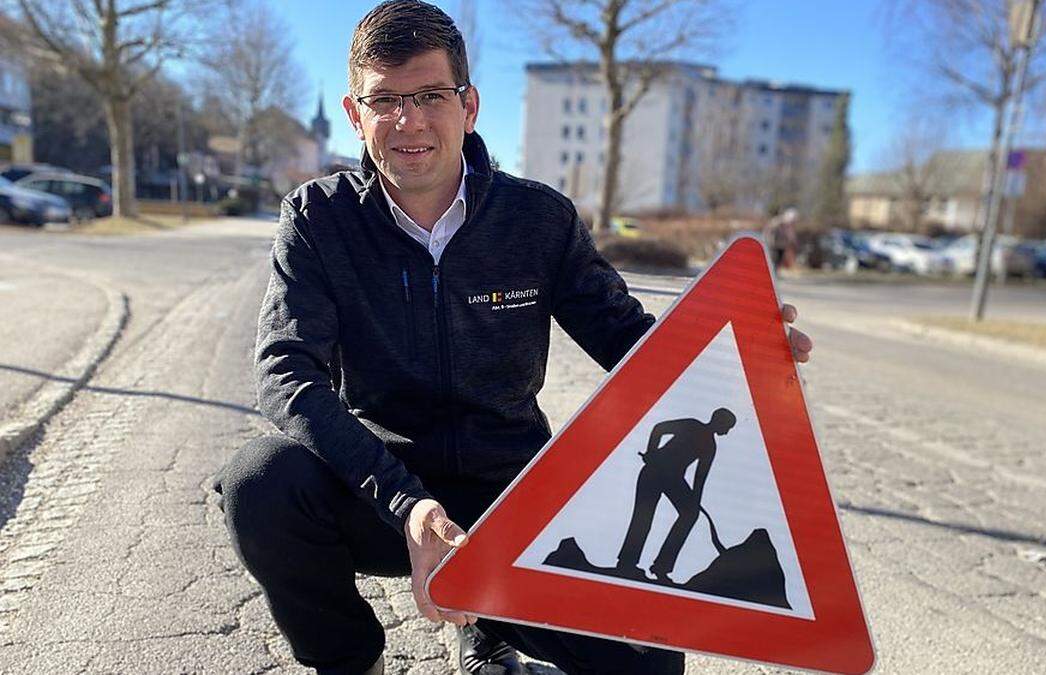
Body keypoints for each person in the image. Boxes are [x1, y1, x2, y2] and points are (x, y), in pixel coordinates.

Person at [216, 2, 814, 674]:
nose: (408, 120)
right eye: (384, 99)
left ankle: (491, 631)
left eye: (430, 95)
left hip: (515, 497)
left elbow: (626, 338)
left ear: (468, 105)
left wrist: (730, 361)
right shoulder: (319, 219)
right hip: (385, 490)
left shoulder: (538, 219)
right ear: (355, 116)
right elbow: (286, 371)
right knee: (261, 480)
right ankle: (353, 662)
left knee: (648, 660)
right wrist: (408, 504)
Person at [616, 409, 737, 583]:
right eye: (727, 426)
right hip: (654, 471)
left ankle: (661, 567)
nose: (727, 431)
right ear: (719, 422)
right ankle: (627, 563)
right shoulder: (692, 425)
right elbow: (659, 428)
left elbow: (700, 478)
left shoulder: (710, 446)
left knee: (690, 514)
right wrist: (651, 453)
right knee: (643, 517)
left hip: (673, 479)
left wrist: (695, 502)